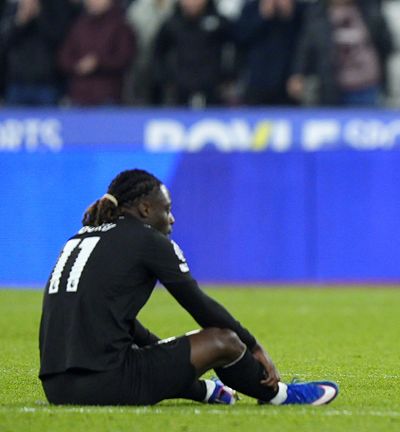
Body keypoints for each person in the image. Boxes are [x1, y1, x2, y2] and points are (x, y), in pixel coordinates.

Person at [39, 169, 339, 405]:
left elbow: (116, 321)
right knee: (224, 341)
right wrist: (252, 346)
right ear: (145, 210)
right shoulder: (149, 240)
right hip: (105, 383)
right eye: (166, 209)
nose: (172, 218)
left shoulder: (79, 238)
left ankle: (209, 392)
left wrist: (162, 351)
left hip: (55, 386)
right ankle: (279, 395)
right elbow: (197, 303)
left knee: (147, 352)